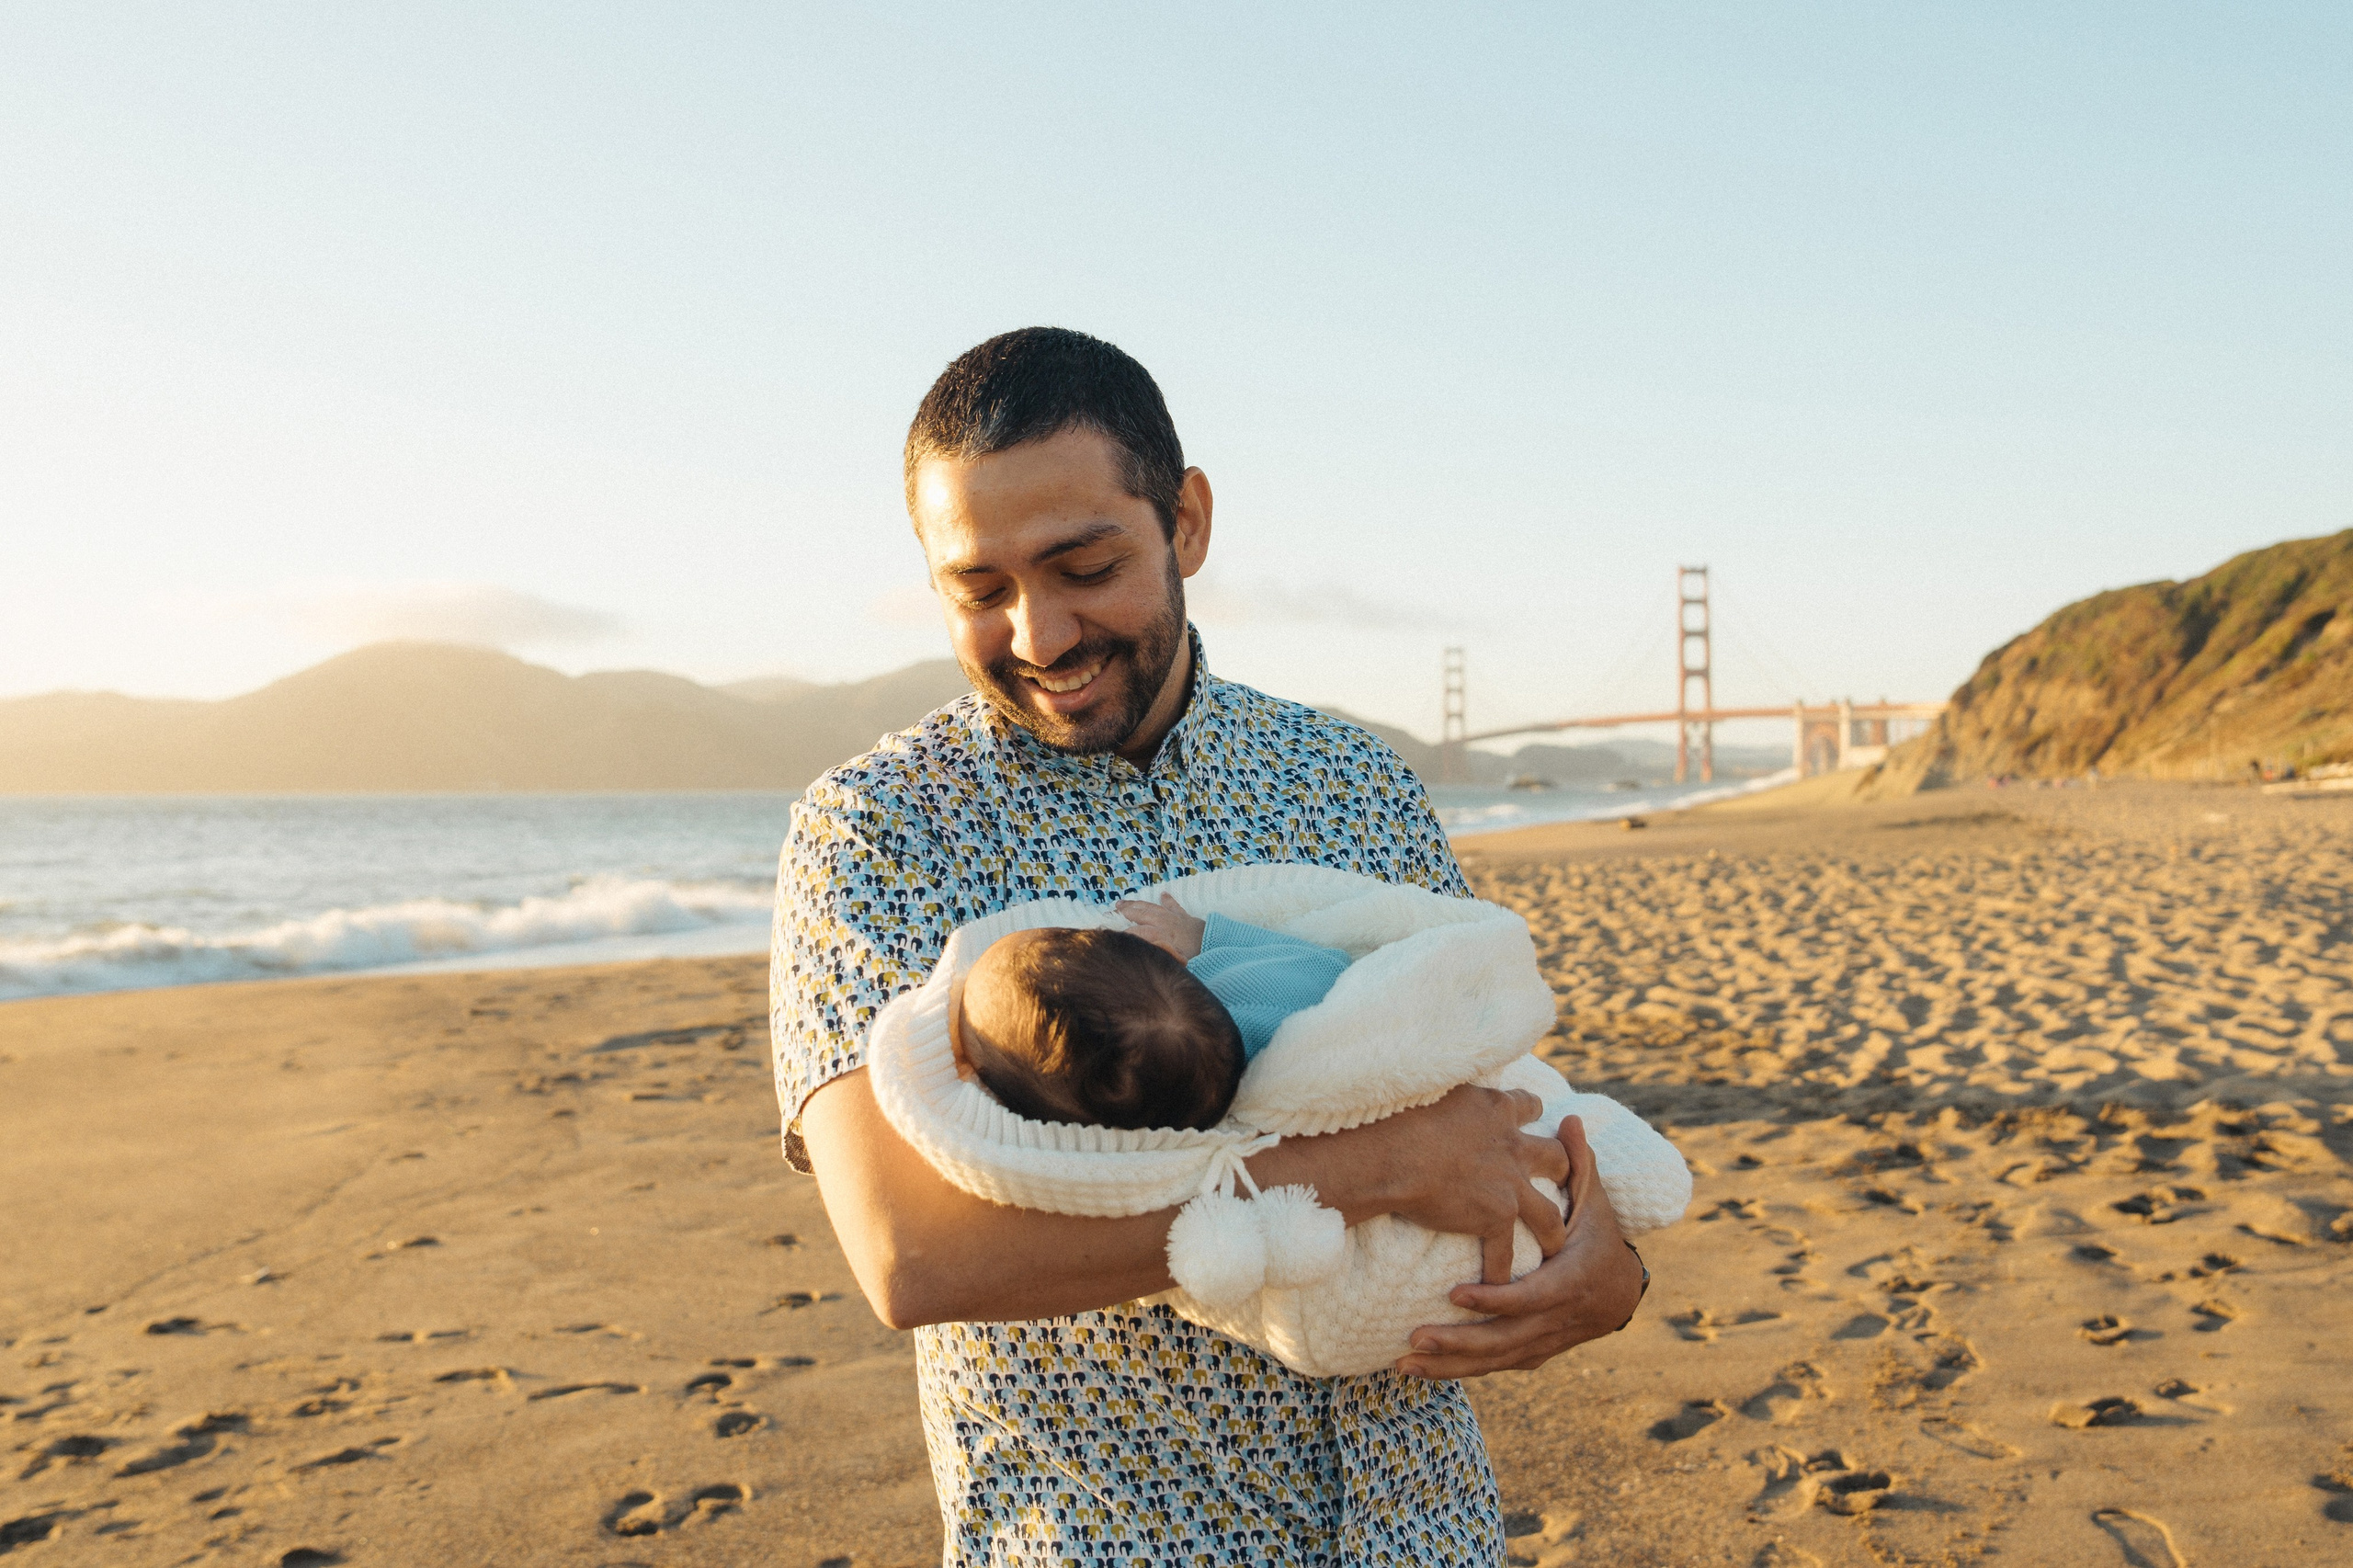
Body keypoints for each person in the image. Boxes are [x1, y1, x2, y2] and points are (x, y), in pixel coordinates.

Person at [774, 325, 1646, 1564]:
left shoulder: (1352, 779)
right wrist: (1366, 1167)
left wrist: (1609, 1268)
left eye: (1085, 566)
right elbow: (911, 1257)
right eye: (979, 591)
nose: (1040, 633)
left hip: (1424, 1528)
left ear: (1184, 521)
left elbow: (1491, 1082)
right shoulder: (879, 830)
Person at [950, 892, 1346, 1131]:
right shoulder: (1275, 988)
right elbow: (1334, 966)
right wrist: (1204, 935)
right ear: (1166, 952)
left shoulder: (1182, 1108)